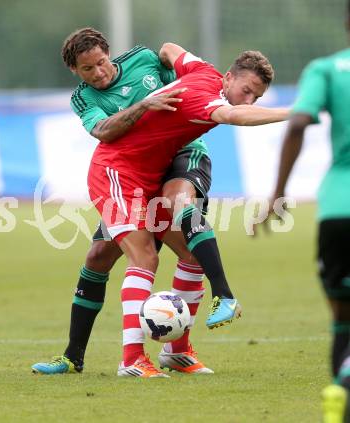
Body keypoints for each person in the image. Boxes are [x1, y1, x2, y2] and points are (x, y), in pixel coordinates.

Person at [32, 28, 241, 376]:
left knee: (183, 243)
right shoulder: (83, 99)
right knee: (99, 256)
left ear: (109, 54)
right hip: (131, 177)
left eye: (101, 63)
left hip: (176, 158)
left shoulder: (143, 59)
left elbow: (183, 76)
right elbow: (103, 132)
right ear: (75, 71)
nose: (98, 73)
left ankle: (175, 350)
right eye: (88, 69)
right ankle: (74, 357)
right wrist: (144, 104)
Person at [83, 42, 288, 377]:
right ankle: (132, 359)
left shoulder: (201, 70)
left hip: (151, 177)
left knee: (192, 255)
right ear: (228, 78)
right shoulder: (204, 99)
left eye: (257, 98)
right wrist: (293, 112)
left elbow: (169, 49)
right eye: (247, 90)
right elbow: (235, 115)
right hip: (117, 173)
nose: (248, 100)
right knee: (145, 256)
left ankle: (176, 352)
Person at [255, 2, 350, 420]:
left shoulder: (326, 69)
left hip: (338, 209)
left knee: (343, 319)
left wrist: (277, 193)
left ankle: (341, 394)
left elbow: (297, 123)